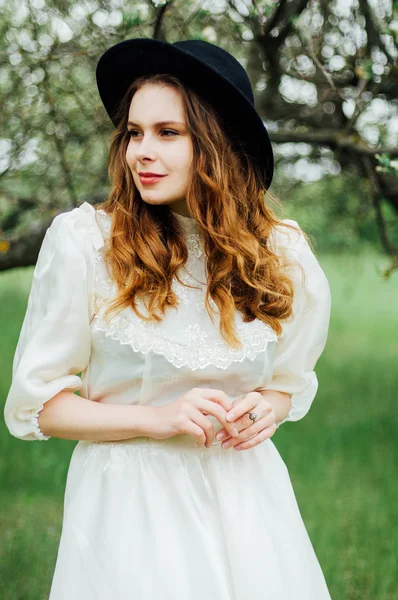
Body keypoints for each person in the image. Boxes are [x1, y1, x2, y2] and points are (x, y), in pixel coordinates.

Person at [3, 38, 332, 599]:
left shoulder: (282, 251)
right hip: (130, 504)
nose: (140, 152)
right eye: (134, 133)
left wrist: (265, 410)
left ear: (218, 142)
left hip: (247, 500)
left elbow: (289, 384)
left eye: (168, 133)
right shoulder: (87, 243)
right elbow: (43, 407)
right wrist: (159, 419)